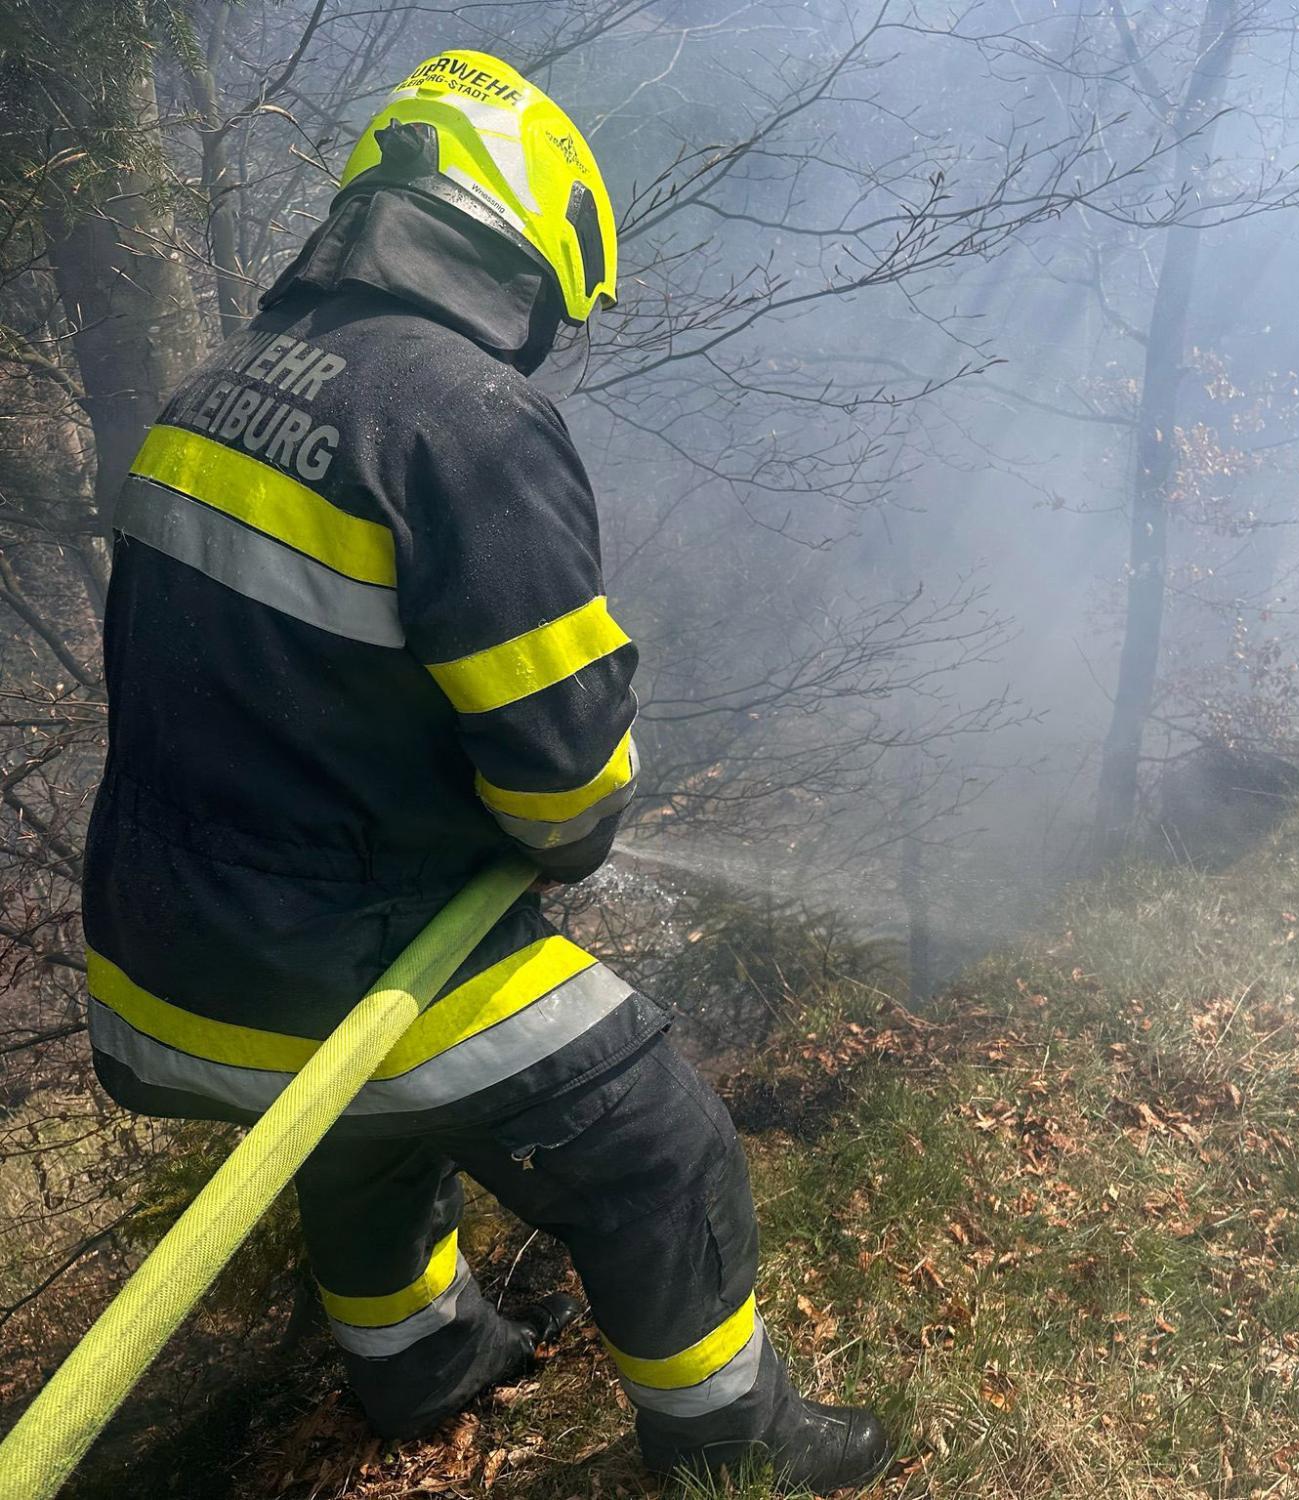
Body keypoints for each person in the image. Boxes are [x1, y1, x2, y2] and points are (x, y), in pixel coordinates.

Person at [78, 48, 887, 1493]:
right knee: (663, 1144)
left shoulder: (211, 394)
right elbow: (567, 794)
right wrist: (559, 815)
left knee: (364, 1128)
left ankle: (422, 1367)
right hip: (328, 965)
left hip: (160, 971)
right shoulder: (461, 419)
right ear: (523, 247)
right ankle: (731, 1443)